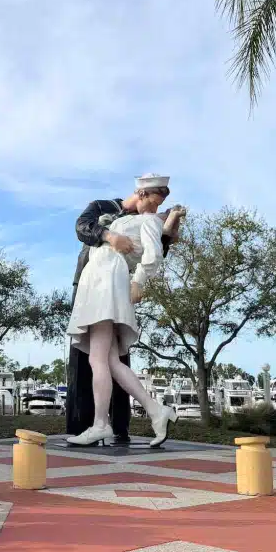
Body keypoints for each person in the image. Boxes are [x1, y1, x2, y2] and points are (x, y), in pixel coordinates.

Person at [66, 174, 185, 447]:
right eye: (153, 202)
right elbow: (83, 227)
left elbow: (154, 254)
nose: (154, 209)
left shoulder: (148, 221)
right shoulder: (113, 211)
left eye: (159, 206)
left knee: (98, 358)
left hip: (106, 277)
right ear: (141, 194)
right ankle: (156, 411)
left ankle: (100, 424)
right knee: (109, 360)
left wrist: (138, 282)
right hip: (97, 276)